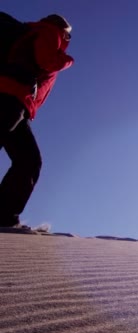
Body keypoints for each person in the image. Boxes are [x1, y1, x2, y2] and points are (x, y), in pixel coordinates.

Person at [0, 14, 74, 228]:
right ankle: (3, 216)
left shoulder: (32, 32)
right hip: (10, 95)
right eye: (69, 34)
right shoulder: (49, 31)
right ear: (64, 30)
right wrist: (67, 60)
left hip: (17, 101)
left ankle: (4, 217)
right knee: (27, 161)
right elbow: (46, 60)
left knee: (29, 161)